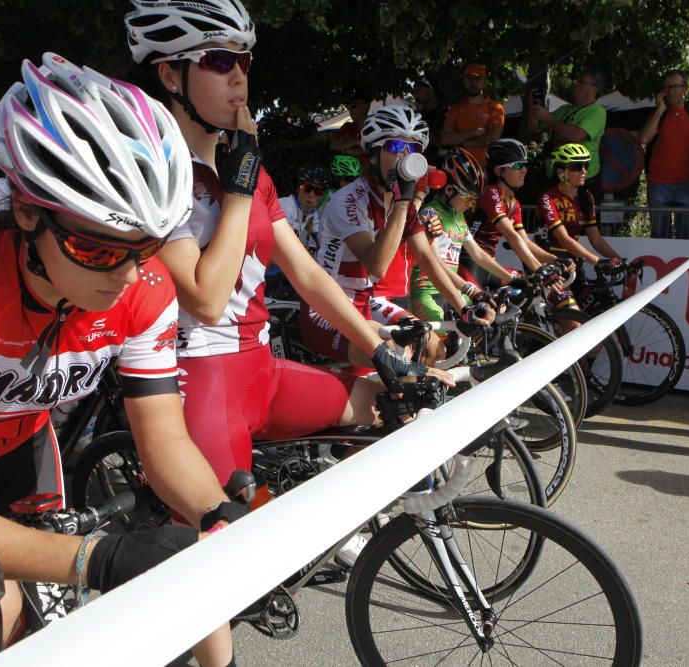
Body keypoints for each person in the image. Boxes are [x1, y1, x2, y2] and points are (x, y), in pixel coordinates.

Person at [0, 53, 237, 666]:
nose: (125, 274)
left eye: (143, 249)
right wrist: (96, 557)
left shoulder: (145, 291)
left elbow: (164, 441)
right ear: (29, 213)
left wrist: (218, 515)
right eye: (95, 249)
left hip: (25, 452)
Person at [125, 1, 449, 558]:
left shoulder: (250, 168)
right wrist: (238, 190)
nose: (239, 77)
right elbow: (204, 298)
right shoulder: (158, 172)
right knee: (236, 559)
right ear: (169, 75)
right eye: (219, 60)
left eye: (245, 62)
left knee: (380, 400)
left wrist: (379, 351)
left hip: (261, 367)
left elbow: (304, 273)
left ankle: (337, 528)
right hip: (202, 375)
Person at [306, 105, 489, 356]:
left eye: (412, 148)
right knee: (402, 355)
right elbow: (376, 266)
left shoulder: (399, 203)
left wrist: (463, 308)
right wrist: (404, 202)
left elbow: (425, 258)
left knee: (434, 349)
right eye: (394, 147)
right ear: (372, 155)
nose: (405, 155)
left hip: (365, 304)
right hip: (327, 308)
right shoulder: (348, 200)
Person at [410, 148, 512, 322]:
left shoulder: (459, 217)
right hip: (428, 292)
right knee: (439, 344)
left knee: (488, 316)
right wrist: (471, 290)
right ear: (449, 190)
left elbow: (478, 254)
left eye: (474, 200)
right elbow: (436, 263)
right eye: (467, 198)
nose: (472, 204)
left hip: (453, 291)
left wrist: (511, 279)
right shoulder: (430, 214)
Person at [461, 138, 557, 288]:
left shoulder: (513, 202)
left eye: (524, 165)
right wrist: (539, 268)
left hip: (489, 263)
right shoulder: (490, 193)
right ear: (499, 171)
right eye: (518, 165)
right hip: (471, 260)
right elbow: (511, 236)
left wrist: (554, 260)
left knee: (530, 287)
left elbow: (524, 241)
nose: (524, 170)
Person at [638, 70, 689, 239]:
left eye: (674, 86)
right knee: (659, 236)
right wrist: (659, 110)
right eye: (666, 87)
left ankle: (685, 267)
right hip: (658, 184)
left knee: (687, 236)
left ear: (685, 89)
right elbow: (643, 138)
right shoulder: (657, 115)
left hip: (687, 183)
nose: (670, 91)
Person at [536, 143, 621, 276]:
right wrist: (598, 262)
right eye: (576, 167)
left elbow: (596, 238)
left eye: (585, 166)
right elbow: (563, 238)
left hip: (572, 259)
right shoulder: (547, 198)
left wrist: (619, 261)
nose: (583, 171)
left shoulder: (586, 197)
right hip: (546, 260)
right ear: (560, 172)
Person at [528, 68, 608, 204]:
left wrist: (547, 119)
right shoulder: (564, 110)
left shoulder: (597, 112)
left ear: (595, 88)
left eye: (581, 82)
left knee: (580, 221)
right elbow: (533, 129)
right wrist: (533, 106)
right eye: (576, 81)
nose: (576, 85)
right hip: (557, 175)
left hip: (582, 178)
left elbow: (577, 135)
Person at [440, 64, 504, 166]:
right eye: (469, 79)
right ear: (464, 81)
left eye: (478, 78)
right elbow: (445, 139)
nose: (473, 82)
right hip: (459, 165)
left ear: (484, 81)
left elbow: (492, 138)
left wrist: (463, 143)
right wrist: (474, 132)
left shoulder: (495, 107)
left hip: (486, 165)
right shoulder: (455, 109)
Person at [278, 163, 327, 254]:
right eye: (307, 188)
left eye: (318, 191)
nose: (311, 194)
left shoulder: (312, 212)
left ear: (322, 196)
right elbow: (287, 242)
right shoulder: (286, 206)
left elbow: (322, 240)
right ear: (298, 188)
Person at [413, 75, 448, 164]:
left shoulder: (446, 114)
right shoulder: (417, 116)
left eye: (418, 90)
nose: (415, 95)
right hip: (418, 165)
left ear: (431, 91)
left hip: (439, 166)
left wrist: (421, 130)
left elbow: (444, 142)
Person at [329, 91, 371, 158]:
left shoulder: (377, 125)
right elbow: (333, 146)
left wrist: (346, 148)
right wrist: (355, 143)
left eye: (353, 105)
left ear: (366, 105)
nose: (349, 109)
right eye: (347, 106)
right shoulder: (347, 127)